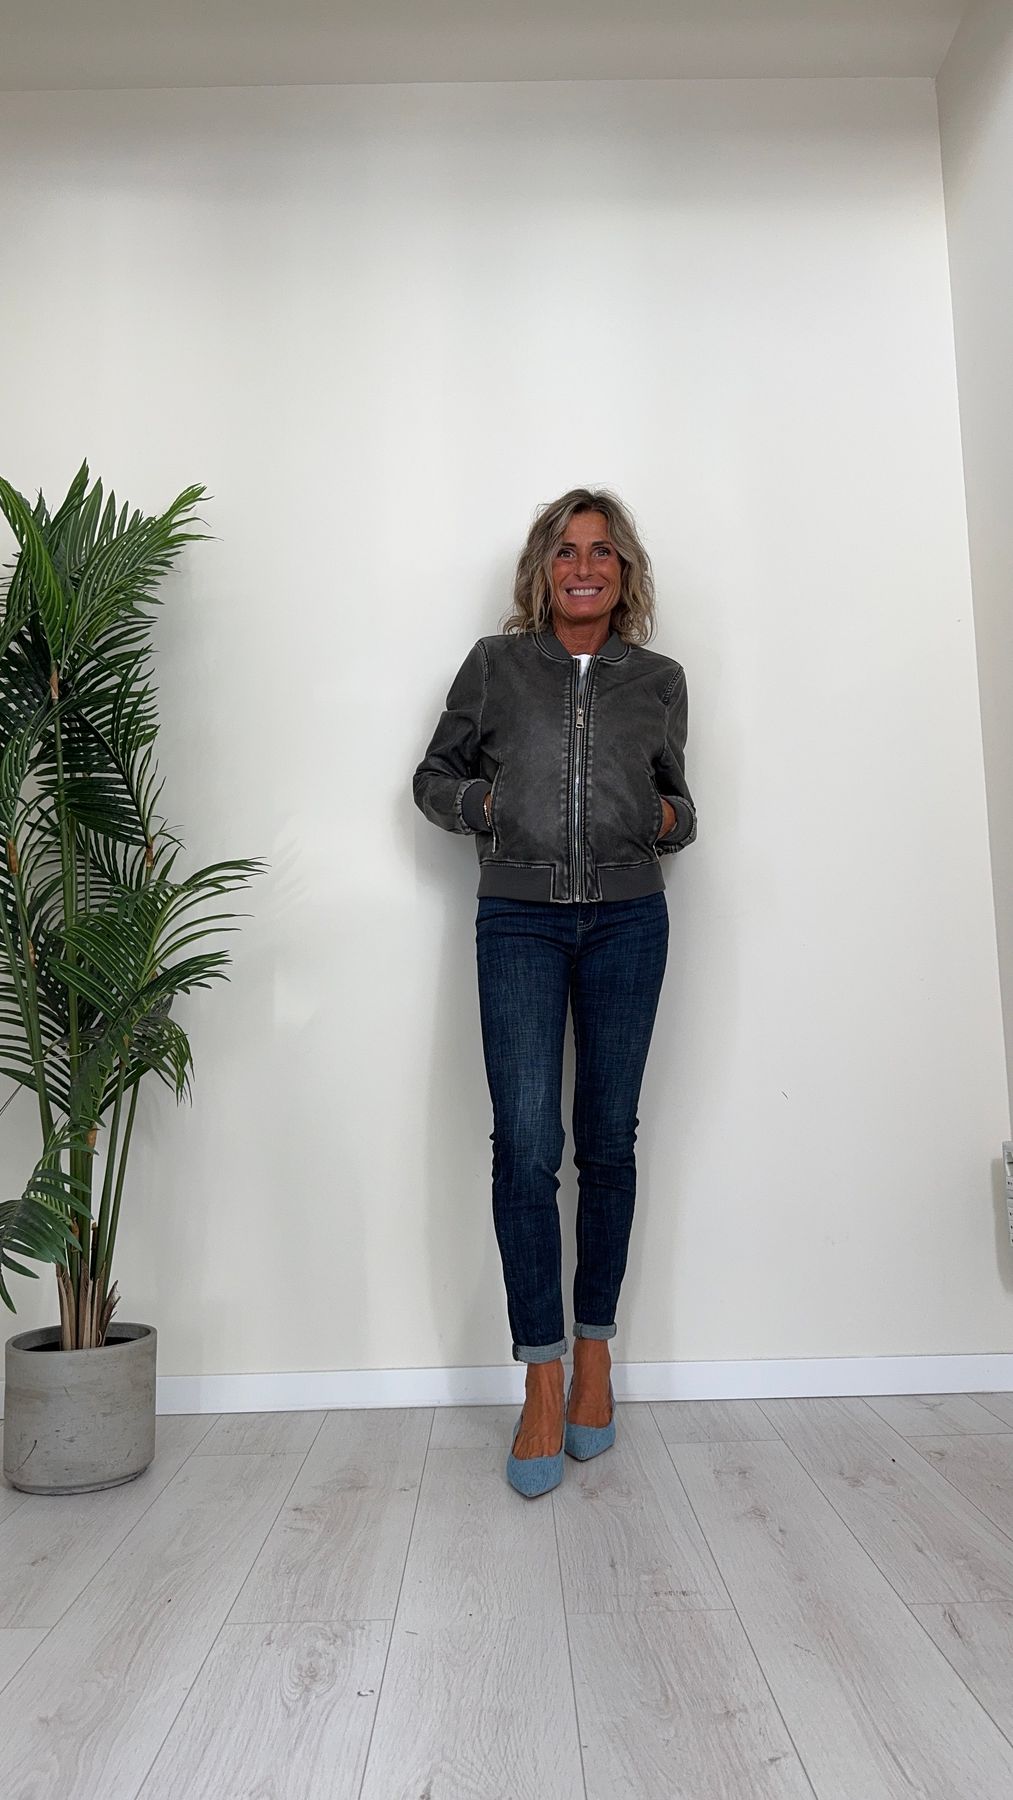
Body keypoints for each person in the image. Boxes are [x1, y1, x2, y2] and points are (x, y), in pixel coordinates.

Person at [412, 487, 697, 1496]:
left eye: (601, 552)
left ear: (624, 572)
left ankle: (595, 1356)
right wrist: (488, 802)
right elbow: (430, 780)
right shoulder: (495, 666)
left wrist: (663, 820)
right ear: (543, 570)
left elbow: (681, 802)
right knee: (527, 1146)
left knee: (608, 1142)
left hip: (628, 921)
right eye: (566, 551)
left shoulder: (657, 679)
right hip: (519, 922)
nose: (583, 567)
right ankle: (539, 1374)